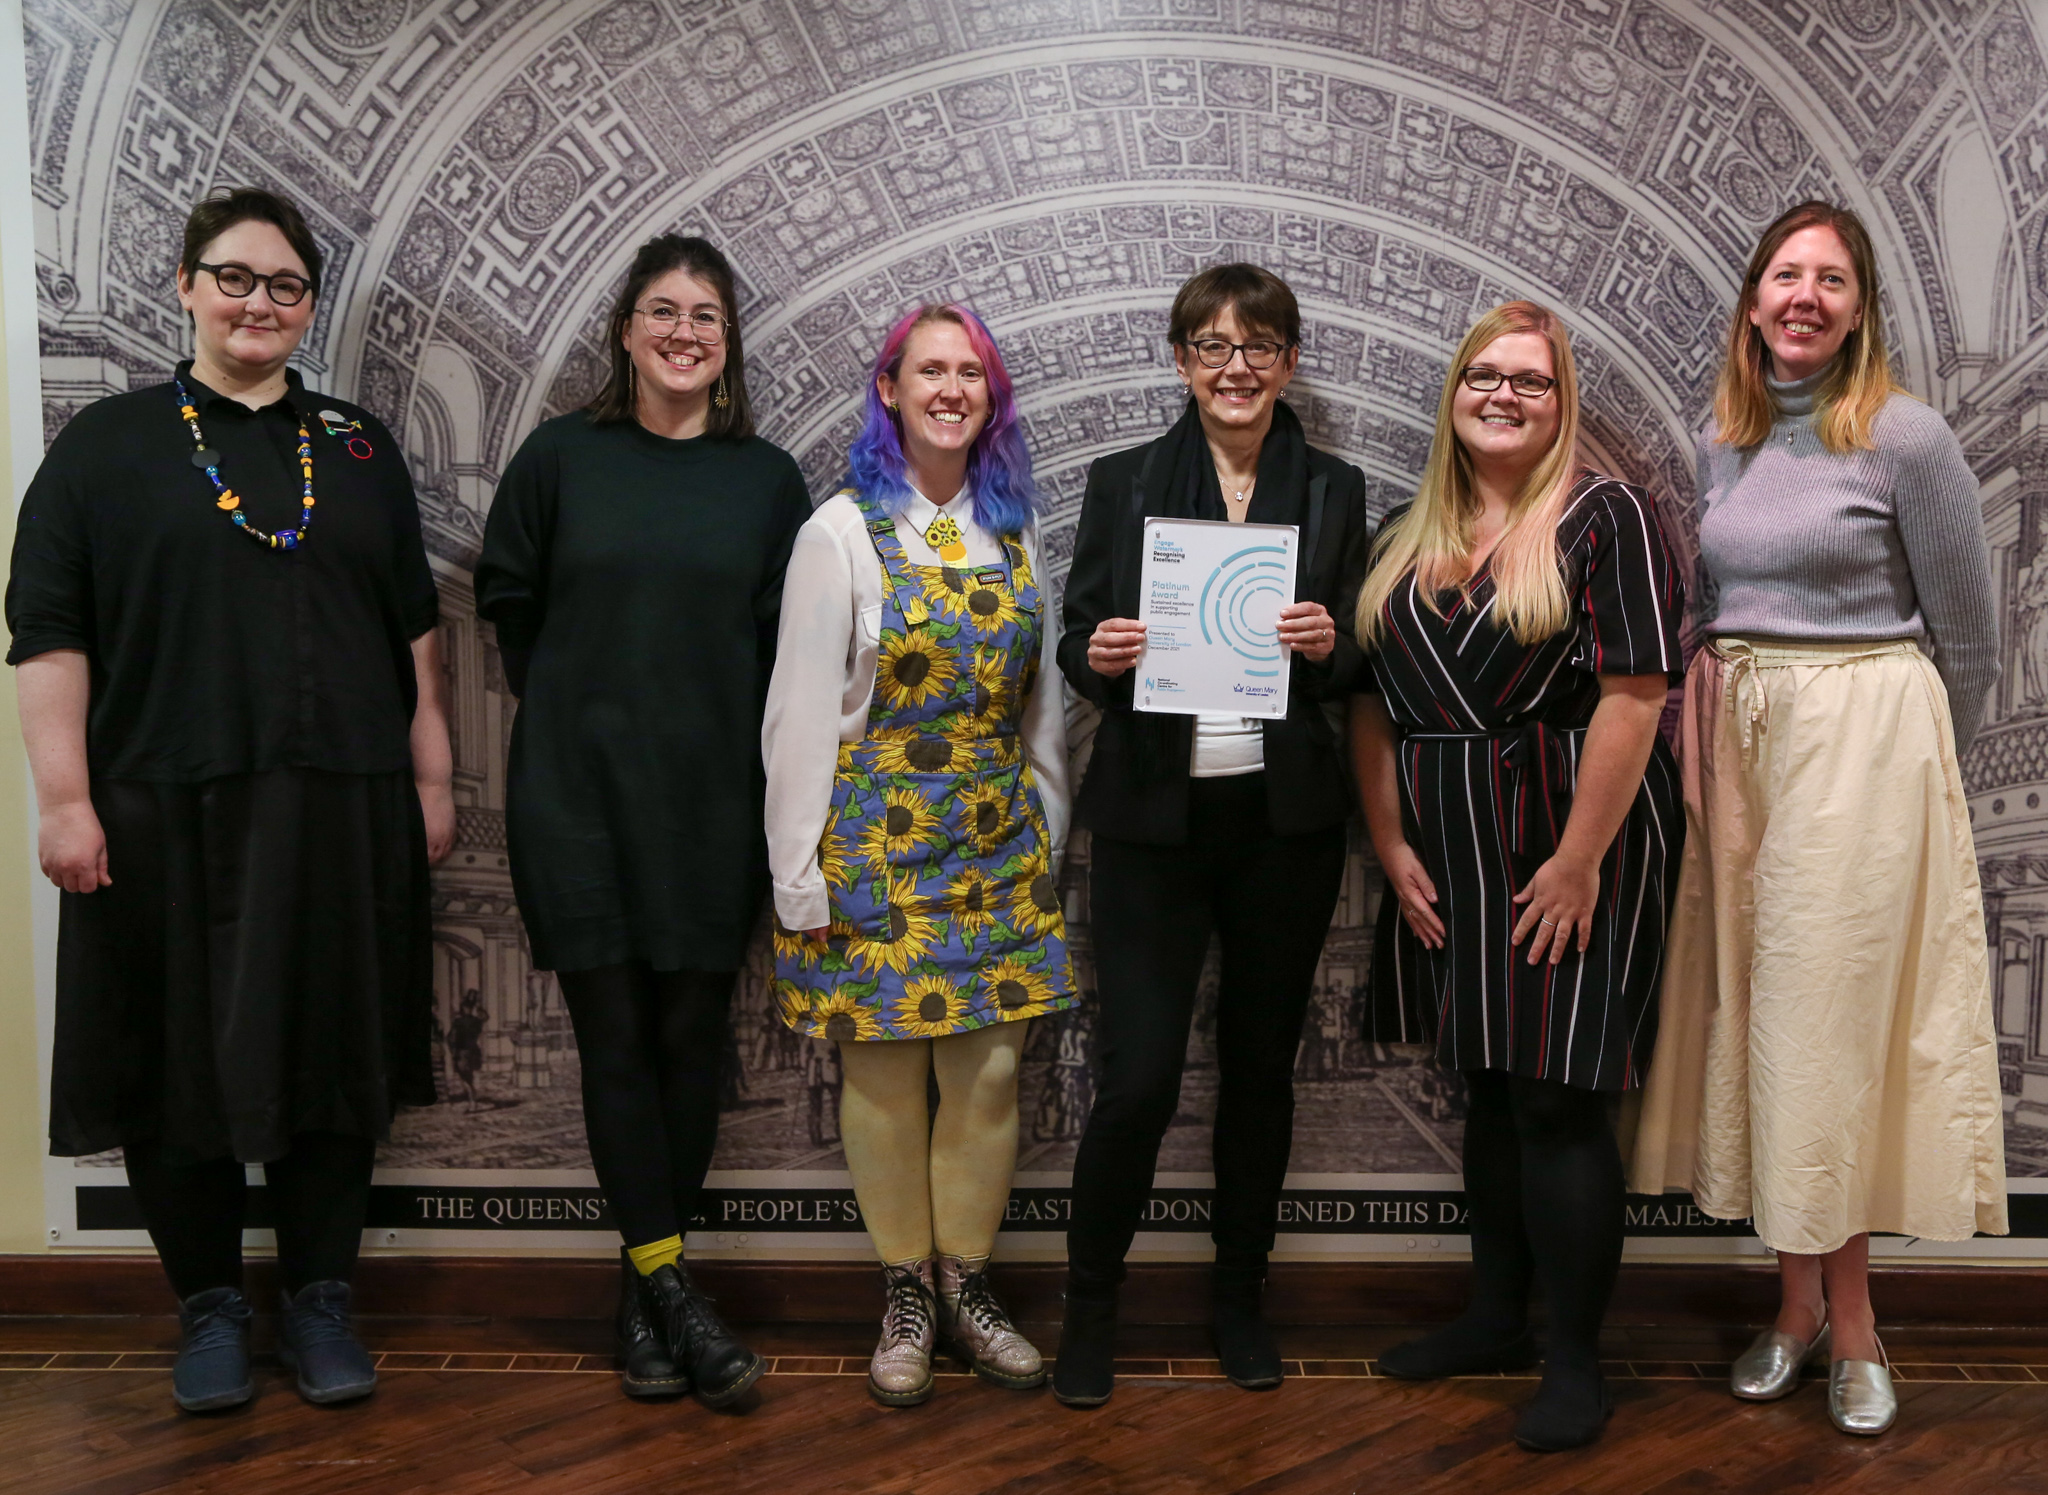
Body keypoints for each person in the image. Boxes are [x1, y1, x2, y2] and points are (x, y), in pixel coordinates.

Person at [6, 186, 456, 1413]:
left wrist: (428, 780)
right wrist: (61, 801)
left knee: (334, 1059)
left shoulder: (358, 447)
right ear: (190, 287)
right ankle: (207, 1305)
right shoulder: (106, 445)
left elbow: (412, 634)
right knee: (172, 1065)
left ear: (310, 305)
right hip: (159, 812)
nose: (260, 302)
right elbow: (47, 635)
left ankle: (317, 1303)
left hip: (343, 811)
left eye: (286, 284)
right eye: (236, 277)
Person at [1630, 201, 2006, 1437]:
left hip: (1862, 745)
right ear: (1751, 301)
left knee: (1831, 1027)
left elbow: (1968, 636)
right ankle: (1791, 1310)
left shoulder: (1905, 437)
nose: (1802, 295)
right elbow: (1708, 599)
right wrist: (1697, 681)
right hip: (1743, 750)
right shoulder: (1719, 440)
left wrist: (1914, 785)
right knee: (1769, 1024)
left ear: (1858, 308)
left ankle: (1852, 1325)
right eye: (1783, 275)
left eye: (1828, 279)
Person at [474, 234, 809, 1408]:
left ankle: (648, 1293)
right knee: (615, 1045)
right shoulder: (561, 458)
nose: (682, 332)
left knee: (686, 1048)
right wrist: (588, 711)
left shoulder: (765, 480)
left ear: (727, 344)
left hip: (717, 803)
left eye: (705, 316)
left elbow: (789, 657)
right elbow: (510, 612)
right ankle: (670, 1294)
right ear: (623, 331)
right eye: (661, 311)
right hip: (577, 798)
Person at [1349, 300, 1685, 1451]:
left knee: (1555, 1092)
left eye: (1529, 382)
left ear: (1560, 401)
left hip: (1568, 835)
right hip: (1442, 843)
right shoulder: (1403, 529)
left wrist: (1580, 862)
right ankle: (1494, 1316)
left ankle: (1576, 1358)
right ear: (1452, 393)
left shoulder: (1605, 516)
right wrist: (1390, 846)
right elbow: (1370, 706)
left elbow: (1636, 695)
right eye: (1482, 376)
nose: (1502, 395)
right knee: (1486, 1084)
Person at [1052, 263, 1373, 1407]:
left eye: (1257, 347)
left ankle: (1239, 1298)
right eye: (1209, 345)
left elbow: (1354, 667)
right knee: (1134, 1082)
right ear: (1180, 359)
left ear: (1289, 362)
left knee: (1258, 1077)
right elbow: (1077, 634)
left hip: (1281, 826)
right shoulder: (1124, 479)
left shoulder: (1335, 489)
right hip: (1151, 825)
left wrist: (1328, 641)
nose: (1234, 367)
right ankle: (1090, 1307)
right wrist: (1094, 654)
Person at [763, 303, 1075, 1407]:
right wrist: (798, 880)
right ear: (887, 389)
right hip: (875, 847)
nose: (950, 388)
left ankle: (968, 1287)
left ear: (990, 399)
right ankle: (904, 1292)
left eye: (971, 373)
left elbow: (1041, 716)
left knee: (988, 1076)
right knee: (885, 1074)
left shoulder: (1016, 530)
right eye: (928, 370)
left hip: (997, 844)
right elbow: (798, 717)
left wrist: (1050, 838)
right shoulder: (839, 532)